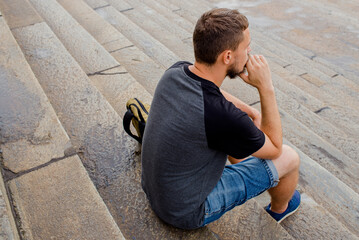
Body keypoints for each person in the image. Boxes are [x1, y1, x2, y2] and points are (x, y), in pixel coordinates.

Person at [141, 8, 301, 230]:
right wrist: (266, 88)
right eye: (246, 48)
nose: (249, 52)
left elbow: (213, 94)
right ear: (227, 56)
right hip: (185, 212)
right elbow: (275, 149)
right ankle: (280, 210)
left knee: (237, 137)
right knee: (290, 158)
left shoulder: (175, 71)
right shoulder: (222, 117)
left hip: (155, 189)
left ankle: (255, 173)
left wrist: (251, 112)